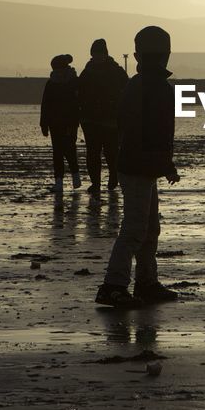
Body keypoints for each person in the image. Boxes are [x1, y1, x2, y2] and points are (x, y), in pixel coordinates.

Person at [96, 26, 181, 307]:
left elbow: (139, 130)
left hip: (139, 165)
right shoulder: (153, 88)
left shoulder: (140, 85)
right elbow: (153, 133)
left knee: (148, 228)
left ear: (137, 55)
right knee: (135, 229)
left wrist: (163, 164)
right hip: (138, 167)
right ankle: (114, 285)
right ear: (166, 55)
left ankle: (146, 282)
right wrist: (164, 163)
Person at [77, 38, 128, 193]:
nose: (97, 57)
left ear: (105, 54)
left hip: (110, 120)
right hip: (90, 120)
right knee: (93, 153)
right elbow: (79, 94)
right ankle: (96, 183)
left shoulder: (116, 71)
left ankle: (113, 177)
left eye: (99, 54)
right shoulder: (87, 72)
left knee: (111, 153)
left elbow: (126, 93)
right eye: (95, 54)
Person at [40, 53, 82, 193]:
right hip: (56, 123)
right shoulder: (53, 83)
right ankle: (62, 181)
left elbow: (77, 104)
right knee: (59, 152)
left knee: (68, 150)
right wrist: (44, 124)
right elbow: (45, 105)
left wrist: (44, 123)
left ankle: (72, 178)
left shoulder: (72, 82)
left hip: (68, 123)